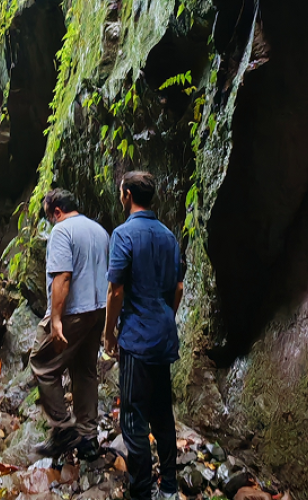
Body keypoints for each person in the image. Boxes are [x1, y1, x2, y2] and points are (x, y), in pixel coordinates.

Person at [104, 171, 183, 500]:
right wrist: (166, 317)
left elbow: (116, 290)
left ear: (126, 194)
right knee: (163, 412)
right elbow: (178, 287)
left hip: (137, 337)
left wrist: (109, 333)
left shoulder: (123, 235)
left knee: (134, 417)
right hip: (163, 334)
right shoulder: (169, 236)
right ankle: (169, 486)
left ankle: (141, 491)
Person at [30, 188, 110, 459]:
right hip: (98, 310)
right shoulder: (100, 231)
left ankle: (64, 429)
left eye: (49, 217)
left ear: (57, 212)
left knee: (41, 364)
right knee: (85, 369)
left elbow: (62, 277)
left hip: (74, 311)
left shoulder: (62, 231)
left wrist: (55, 320)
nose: (50, 222)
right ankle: (87, 438)